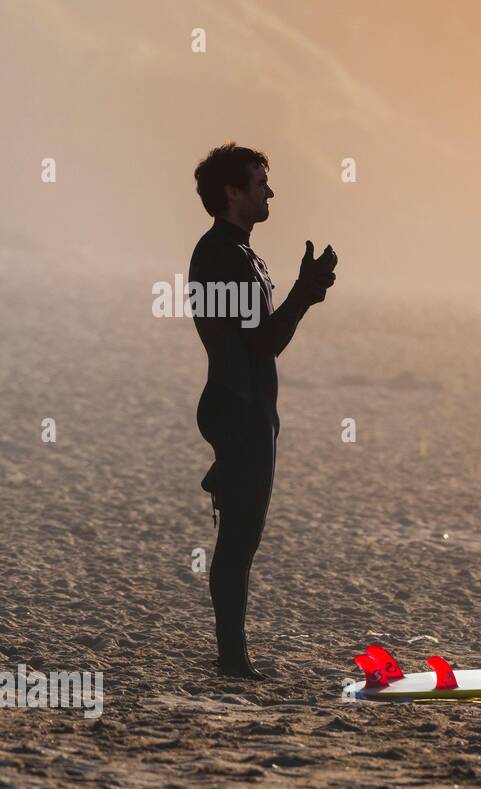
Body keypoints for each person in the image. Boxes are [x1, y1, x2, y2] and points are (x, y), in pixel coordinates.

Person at [189, 143, 337, 679]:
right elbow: (264, 342)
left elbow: (261, 340)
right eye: (259, 183)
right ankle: (233, 659)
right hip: (238, 407)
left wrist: (303, 291)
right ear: (232, 192)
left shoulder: (240, 252)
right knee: (239, 537)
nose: (269, 191)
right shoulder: (223, 256)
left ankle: (234, 654)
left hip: (247, 406)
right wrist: (305, 291)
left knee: (242, 534)